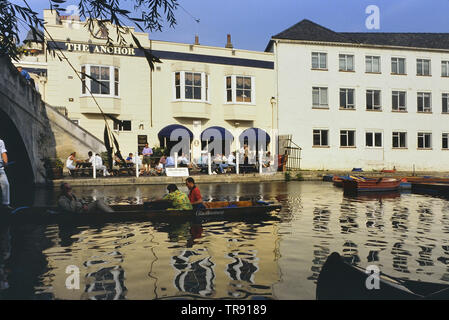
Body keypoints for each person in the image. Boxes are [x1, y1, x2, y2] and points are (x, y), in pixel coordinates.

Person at [0, 139, 11, 210]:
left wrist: (5, 162)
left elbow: (3, 153)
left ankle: (5, 204)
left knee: (6, 184)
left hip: (0, 169)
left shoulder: (0, 141)